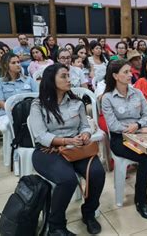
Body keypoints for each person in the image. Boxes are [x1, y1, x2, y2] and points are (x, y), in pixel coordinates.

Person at [29, 64, 105, 235]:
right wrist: (66, 140)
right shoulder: (38, 105)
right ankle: (55, 226)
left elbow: (85, 126)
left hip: (75, 149)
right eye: (64, 76)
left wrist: (85, 135)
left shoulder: (76, 102)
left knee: (97, 173)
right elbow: (41, 136)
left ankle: (89, 213)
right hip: (48, 151)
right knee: (67, 180)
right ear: (51, 80)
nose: (69, 79)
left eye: (69, 76)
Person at [101, 60, 147, 220]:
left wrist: (139, 125)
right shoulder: (107, 98)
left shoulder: (136, 93)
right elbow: (113, 125)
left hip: (141, 133)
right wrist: (137, 127)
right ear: (115, 76)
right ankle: (141, 201)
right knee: (146, 157)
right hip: (121, 139)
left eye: (129, 71)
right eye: (125, 72)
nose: (129, 75)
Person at [0, 53, 38, 160]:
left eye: (19, 62)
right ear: (5, 65)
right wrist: (16, 111)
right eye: (13, 63)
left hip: (30, 112)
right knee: (13, 123)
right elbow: (1, 103)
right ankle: (17, 151)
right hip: (7, 114)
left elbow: (38, 97)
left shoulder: (29, 80)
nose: (18, 65)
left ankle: (36, 149)